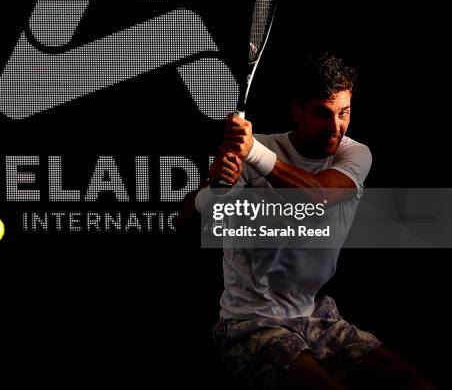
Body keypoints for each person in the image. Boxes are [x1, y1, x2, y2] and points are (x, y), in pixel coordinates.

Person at [182, 53, 435, 389]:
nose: (335, 126)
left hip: (314, 315)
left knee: (410, 381)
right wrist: (216, 187)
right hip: (250, 324)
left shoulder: (355, 154)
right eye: (322, 113)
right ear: (297, 110)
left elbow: (319, 195)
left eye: (343, 113)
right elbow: (185, 218)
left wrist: (252, 151)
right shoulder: (255, 153)